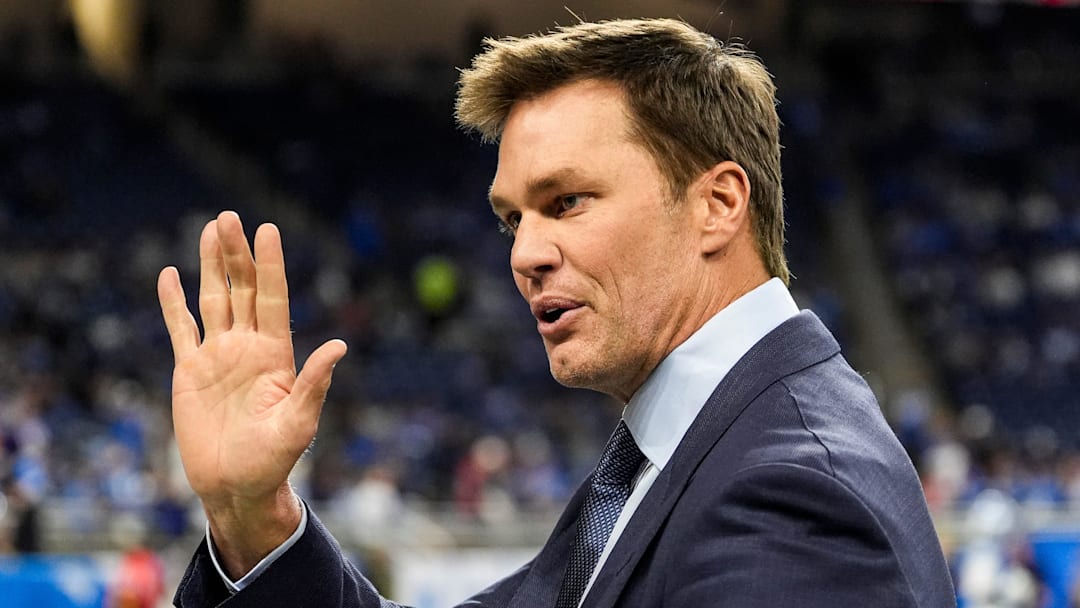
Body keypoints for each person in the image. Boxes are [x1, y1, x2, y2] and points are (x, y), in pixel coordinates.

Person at [158, 18, 955, 608]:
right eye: (513, 219)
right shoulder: (679, 453)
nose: (523, 254)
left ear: (716, 205)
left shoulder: (790, 495)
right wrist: (253, 515)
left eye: (565, 202)